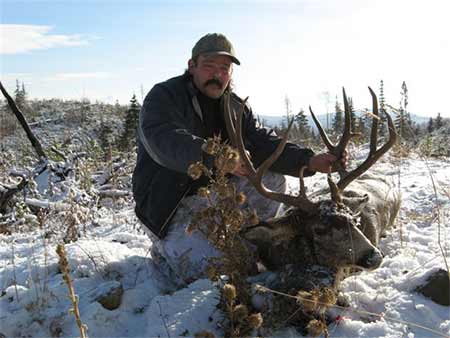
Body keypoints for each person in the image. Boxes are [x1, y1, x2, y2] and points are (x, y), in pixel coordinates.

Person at [132, 33, 347, 286]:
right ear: (192, 66)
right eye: (209, 66)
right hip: (170, 205)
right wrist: (218, 158)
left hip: (216, 196)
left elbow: (262, 144)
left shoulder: (234, 106)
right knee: (212, 276)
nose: (217, 75)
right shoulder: (165, 96)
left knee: (271, 179)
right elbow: (164, 139)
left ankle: (245, 241)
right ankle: (166, 249)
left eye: (224, 69)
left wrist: (309, 161)